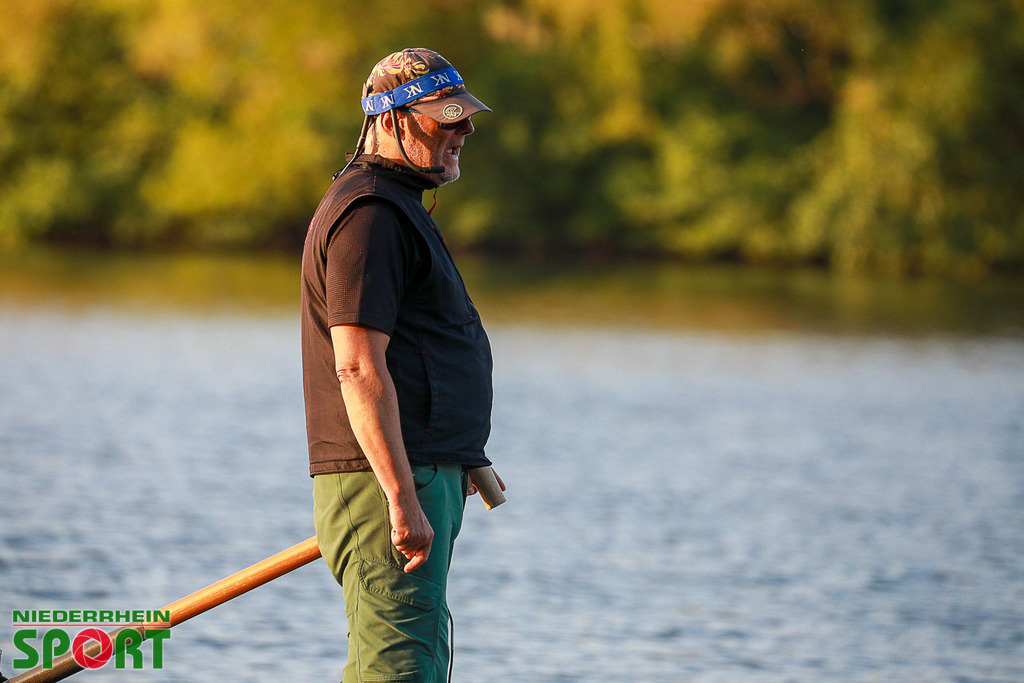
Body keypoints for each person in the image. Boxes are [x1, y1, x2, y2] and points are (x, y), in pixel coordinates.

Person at [300, 48, 504, 682]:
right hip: (386, 481)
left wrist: (461, 451)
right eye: (446, 117)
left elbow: (422, 345)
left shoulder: (398, 205)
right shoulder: (369, 216)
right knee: (397, 670)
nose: (463, 130)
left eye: (465, 117)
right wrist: (399, 496)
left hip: (419, 471)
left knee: (420, 660)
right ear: (388, 121)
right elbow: (357, 366)